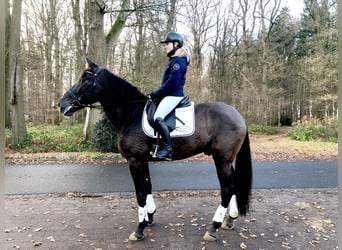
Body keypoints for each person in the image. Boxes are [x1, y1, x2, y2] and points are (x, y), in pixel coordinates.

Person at [149, 31, 190, 161]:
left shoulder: (178, 61)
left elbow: (171, 84)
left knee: (157, 117)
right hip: (169, 95)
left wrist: (156, 93)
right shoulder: (173, 60)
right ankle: (157, 144)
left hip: (174, 95)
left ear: (176, 44)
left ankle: (167, 149)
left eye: (167, 44)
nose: (165, 46)